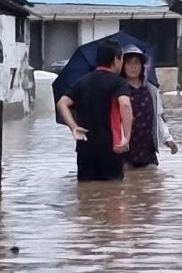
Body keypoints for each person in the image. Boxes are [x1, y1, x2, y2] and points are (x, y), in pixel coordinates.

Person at [57, 40, 133, 181]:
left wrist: (74, 127)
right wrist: (126, 137)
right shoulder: (119, 83)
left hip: (84, 149)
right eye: (122, 58)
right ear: (116, 60)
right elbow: (125, 105)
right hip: (111, 148)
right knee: (113, 194)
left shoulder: (82, 82)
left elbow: (62, 103)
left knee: (86, 193)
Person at [120, 44, 178, 168]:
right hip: (124, 150)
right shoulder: (118, 89)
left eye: (136, 63)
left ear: (142, 66)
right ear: (122, 66)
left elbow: (158, 117)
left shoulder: (151, 90)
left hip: (148, 150)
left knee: (151, 180)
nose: (133, 67)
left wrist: (167, 139)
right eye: (129, 63)